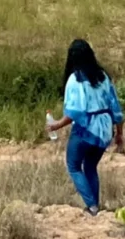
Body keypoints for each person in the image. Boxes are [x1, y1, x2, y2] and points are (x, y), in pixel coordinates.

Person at [47, 38, 124, 216]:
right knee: (90, 166)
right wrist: (119, 134)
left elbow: (75, 112)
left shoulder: (76, 79)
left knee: (73, 165)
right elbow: (117, 110)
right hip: (104, 131)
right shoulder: (103, 76)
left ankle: (92, 206)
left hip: (86, 129)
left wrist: (56, 125)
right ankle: (94, 208)